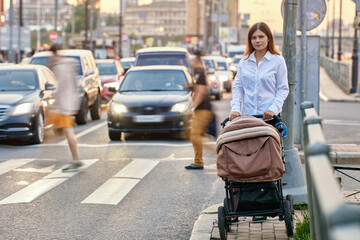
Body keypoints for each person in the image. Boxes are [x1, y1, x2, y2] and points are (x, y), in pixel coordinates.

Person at [229, 22, 289, 122]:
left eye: (261, 37)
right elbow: (238, 88)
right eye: (254, 38)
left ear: (268, 38)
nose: (258, 40)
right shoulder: (244, 62)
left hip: (270, 119)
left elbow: (283, 89)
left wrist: (272, 109)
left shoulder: (278, 61)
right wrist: (235, 109)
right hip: (248, 118)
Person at [46, 44, 82, 172]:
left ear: (54, 54)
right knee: (65, 131)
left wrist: (56, 105)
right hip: (68, 103)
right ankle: (76, 160)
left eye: (50, 56)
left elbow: (60, 88)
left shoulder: (60, 67)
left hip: (62, 105)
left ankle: (76, 160)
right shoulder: (68, 65)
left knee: (66, 132)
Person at [185, 49, 214, 170]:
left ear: (197, 60)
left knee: (195, 136)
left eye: (192, 60)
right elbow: (198, 89)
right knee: (198, 136)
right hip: (201, 109)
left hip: (202, 109)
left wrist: (192, 108)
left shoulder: (201, 73)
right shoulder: (198, 73)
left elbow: (201, 92)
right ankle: (199, 161)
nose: (190, 63)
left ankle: (199, 161)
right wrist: (190, 87)